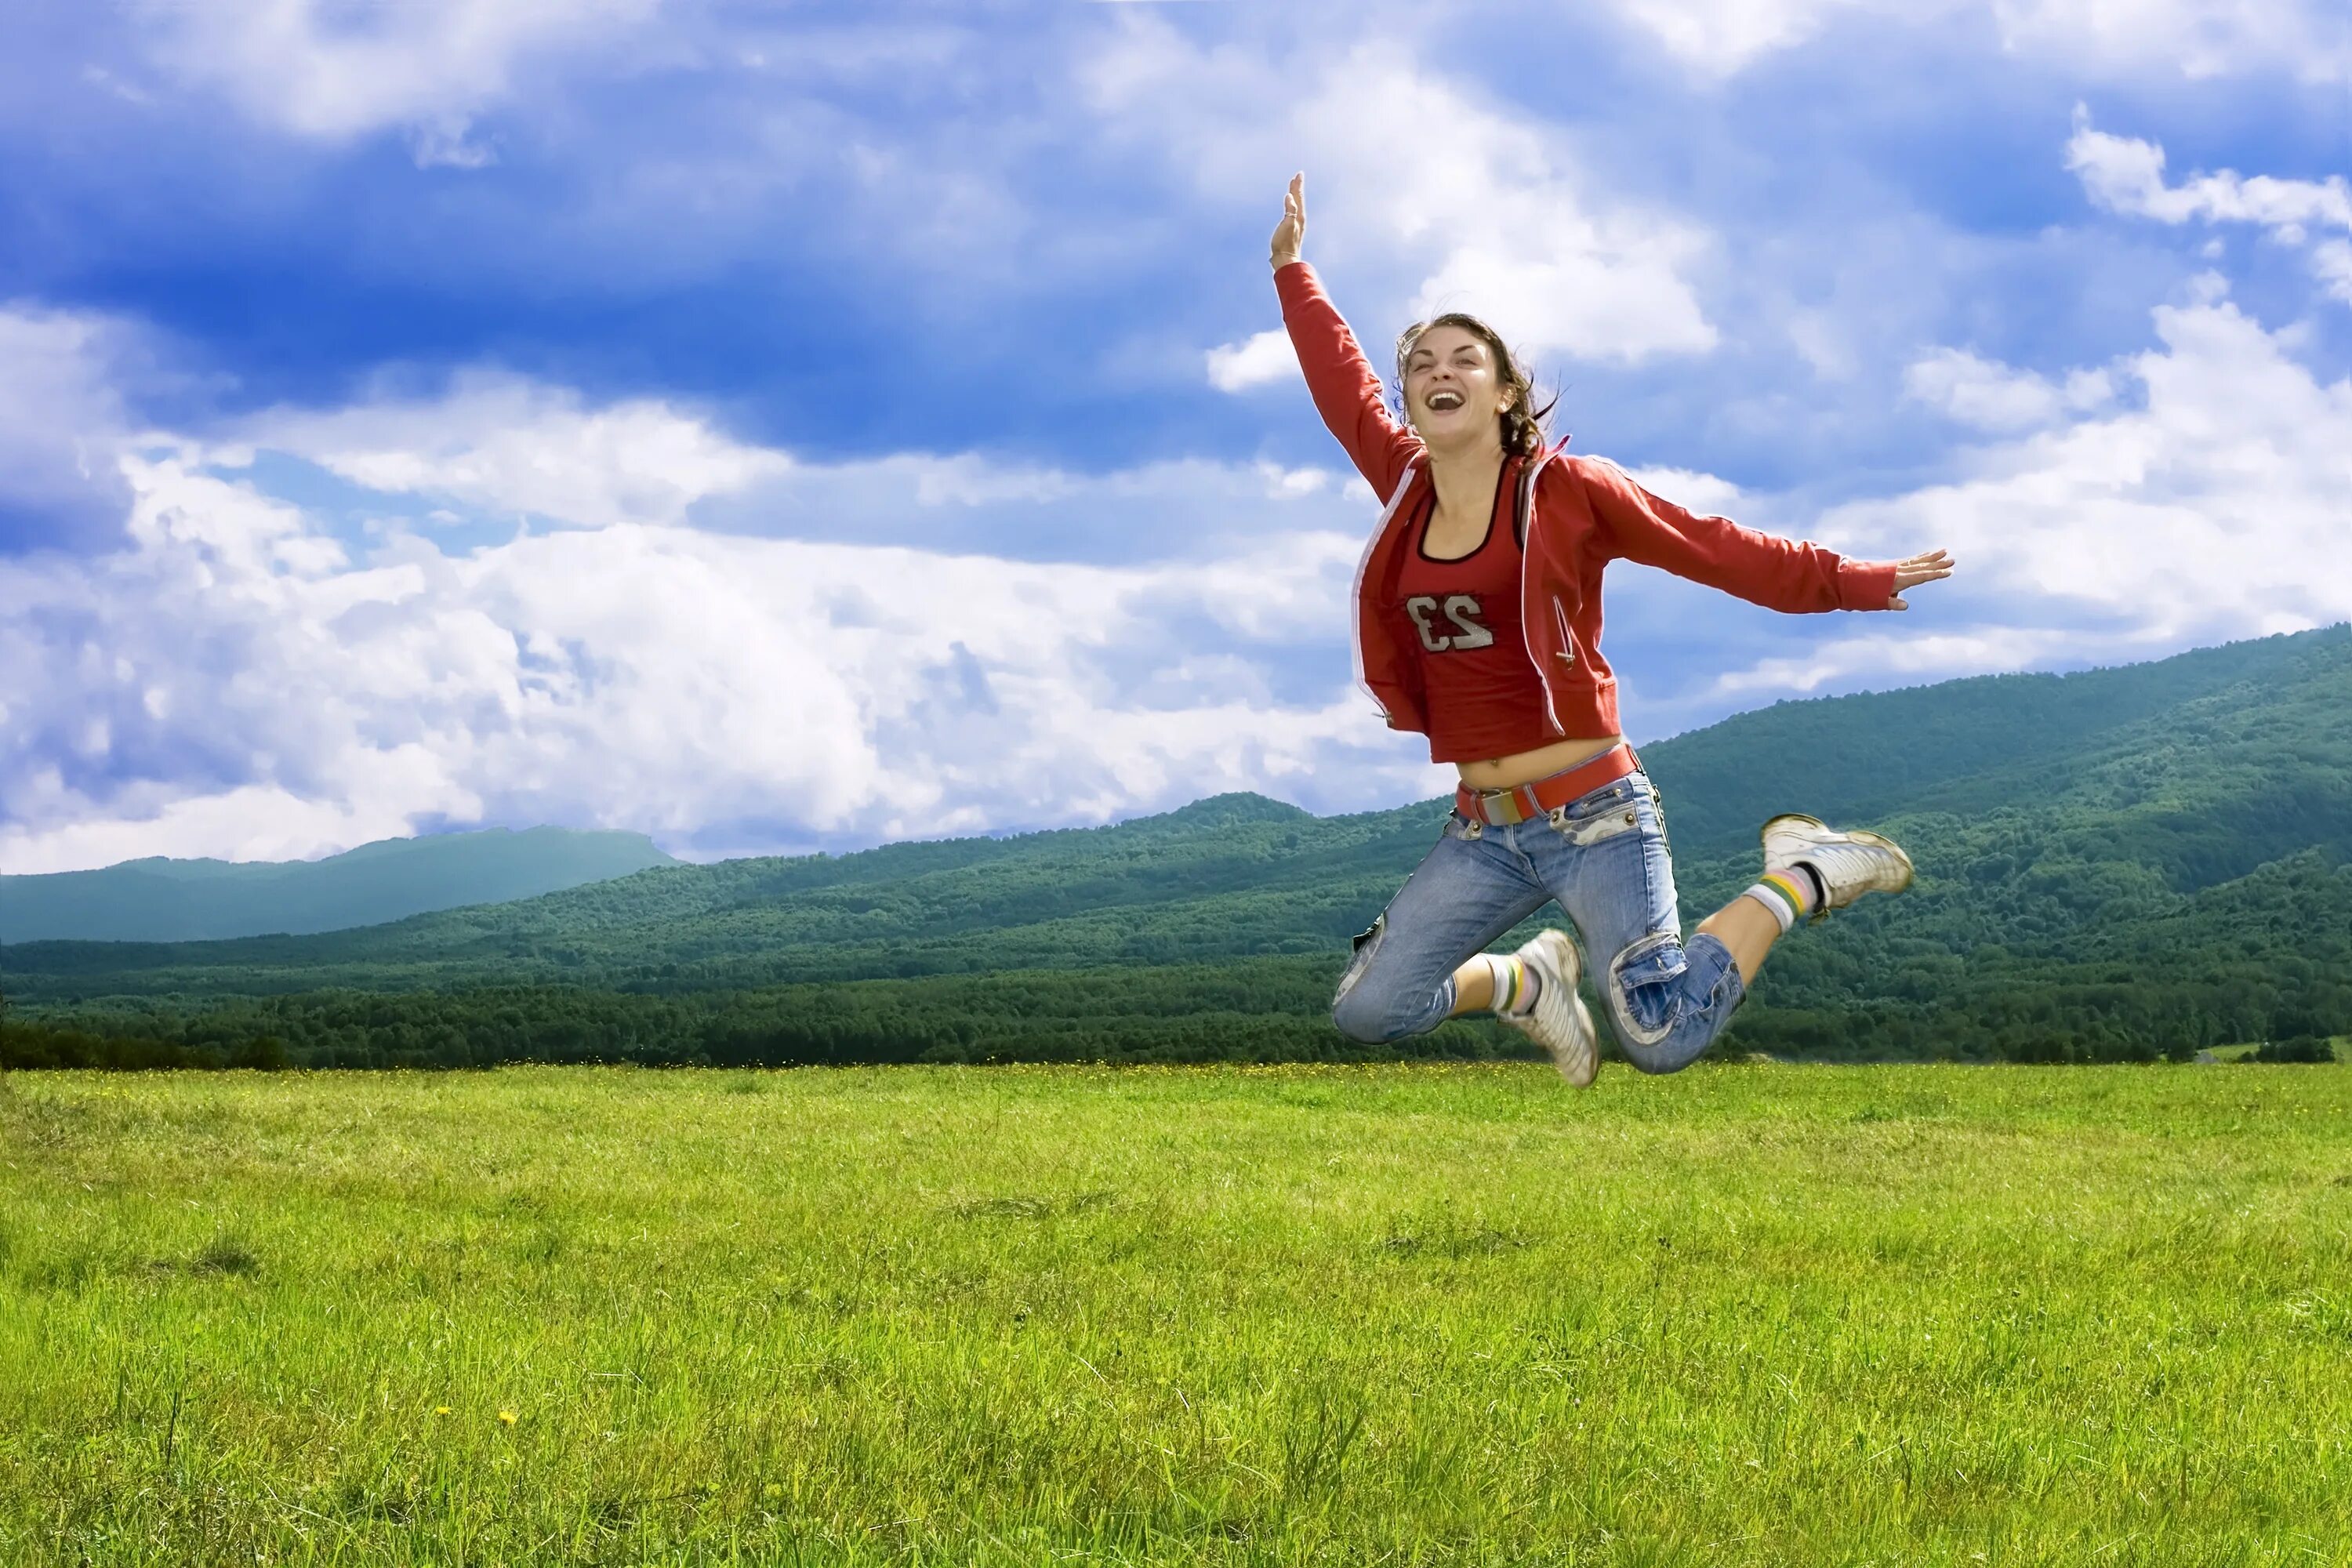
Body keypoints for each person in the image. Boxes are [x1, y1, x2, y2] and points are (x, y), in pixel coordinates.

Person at [1268, 174, 1955, 1086]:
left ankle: (1804, 871)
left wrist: (1852, 579)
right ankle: (1527, 981)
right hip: (1483, 830)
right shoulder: (1404, 487)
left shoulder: (1569, 492)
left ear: (1506, 392)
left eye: (1465, 359)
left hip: (1596, 815)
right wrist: (1292, 270)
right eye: (1422, 363)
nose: (1440, 372)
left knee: (1659, 1036)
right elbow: (1338, 380)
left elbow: (1715, 547)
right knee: (1368, 1008)